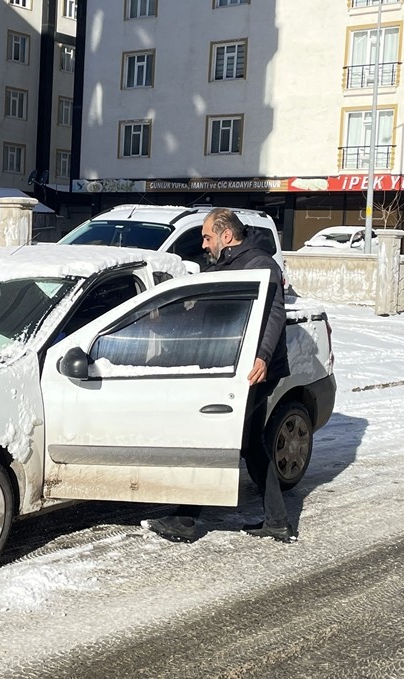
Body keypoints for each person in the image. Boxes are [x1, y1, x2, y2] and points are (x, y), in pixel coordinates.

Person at [143, 208, 296, 544]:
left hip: (252, 371)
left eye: (207, 236)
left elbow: (274, 314)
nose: (203, 242)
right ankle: (278, 521)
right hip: (233, 367)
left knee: (215, 439)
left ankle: (185, 520)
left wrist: (263, 357)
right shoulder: (228, 265)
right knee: (251, 445)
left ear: (226, 236)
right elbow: (208, 312)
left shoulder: (260, 265)